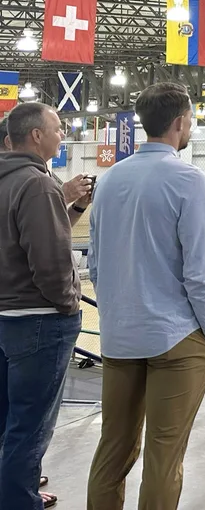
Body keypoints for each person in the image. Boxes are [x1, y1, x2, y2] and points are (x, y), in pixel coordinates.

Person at [85, 83, 205, 510]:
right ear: (180, 122)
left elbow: (96, 264)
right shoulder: (188, 178)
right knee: (164, 455)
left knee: (113, 449)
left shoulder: (108, 181)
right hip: (176, 336)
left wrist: (116, 316)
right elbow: (199, 270)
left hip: (121, 335)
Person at [0, 103, 87, 510]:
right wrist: (69, 305)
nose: (61, 132)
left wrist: (73, 207)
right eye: (57, 127)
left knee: (7, 420)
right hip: (38, 322)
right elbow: (50, 263)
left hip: (5, 318)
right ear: (35, 136)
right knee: (29, 427)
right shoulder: (36, 185)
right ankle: (20, 501)